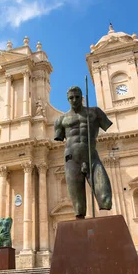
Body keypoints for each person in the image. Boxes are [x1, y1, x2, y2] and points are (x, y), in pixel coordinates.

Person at [54, 86, 113, 219]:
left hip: (91, 157)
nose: (74, 100)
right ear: (67, 99)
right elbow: (58, 137)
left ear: (82, 97)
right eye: (71, 98)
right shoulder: (61, 120)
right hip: (71, 160)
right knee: (79, 209)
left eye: (77, 97)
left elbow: (106, 124)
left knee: (106, 198)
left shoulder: (95, 113)